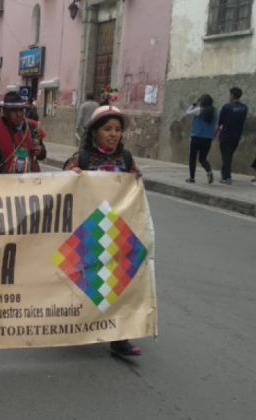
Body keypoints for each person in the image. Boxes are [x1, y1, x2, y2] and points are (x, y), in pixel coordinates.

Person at [62, 105, 142, 357]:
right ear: (93, 132)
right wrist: (70, 177)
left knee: (121, 285)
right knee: (86, 284)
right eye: (107, 129)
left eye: (117, 130)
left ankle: (120, 338)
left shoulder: (127, 159)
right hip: (87, 232)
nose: (113, 134)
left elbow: (137, 191)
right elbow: (61, 190)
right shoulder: (80, 159)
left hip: (118, 233)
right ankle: (78, 326)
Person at [0, 92, 46, 174]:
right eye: (14, 110)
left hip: (29, 183)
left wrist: (40, 151)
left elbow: (42, 154)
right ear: (5, 111)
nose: (19, 114)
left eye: (21, 110)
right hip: (3, 183)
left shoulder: (32, 127)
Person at [217, 87, 248, 185]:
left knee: (226, 157)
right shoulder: (244, 108)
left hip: (226, 135)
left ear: (232, 95)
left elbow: (220, 120)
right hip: (236, 136)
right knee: (228, 156)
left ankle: (227, 177)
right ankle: (224, 174)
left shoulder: (227, 107)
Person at [185, 94, 218, 184]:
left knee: (192, 158)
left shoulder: (199, 110)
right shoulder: (214, 112)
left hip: (196, 137)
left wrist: (194, 104)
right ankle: (208, 171)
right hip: (208, 139)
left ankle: (192, 178)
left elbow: (187, 113)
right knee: (202, 158)